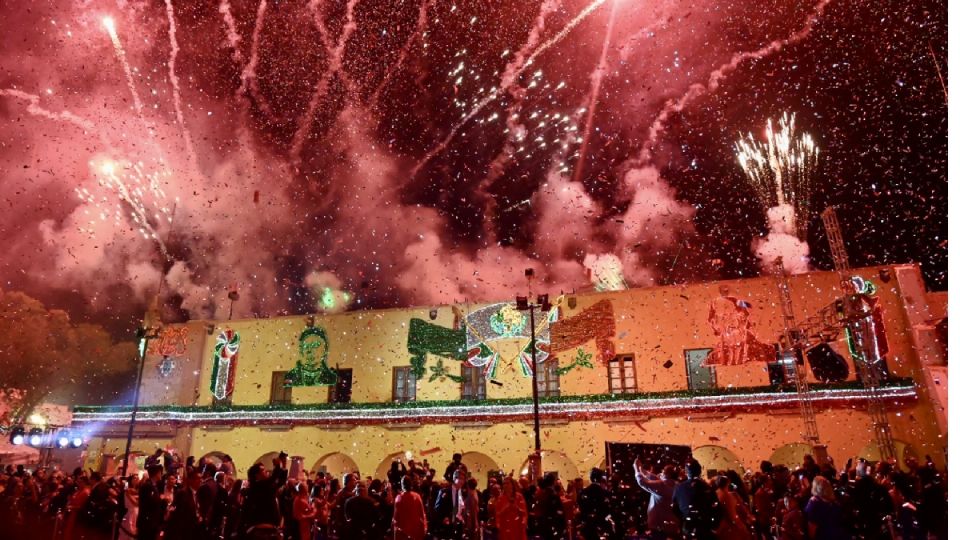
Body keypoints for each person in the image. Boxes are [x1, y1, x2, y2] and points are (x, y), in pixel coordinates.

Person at [672, 459, 720, 539]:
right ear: (700, 471)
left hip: (688, 527)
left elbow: (674, 507)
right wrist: (713, 525)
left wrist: (683, 518)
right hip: (704, 527)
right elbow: (716, 508)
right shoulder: (707, 487)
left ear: (686, 472)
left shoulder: (679, 487)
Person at [633, 459, 680, 539]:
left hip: (660, 526)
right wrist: (642, 470)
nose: (661, 473)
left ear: (668, 475)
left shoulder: (663, 486)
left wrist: (636, 469)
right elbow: (655, 478)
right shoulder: (675, 485)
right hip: (671, 524)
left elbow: (643, 482)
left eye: (664, 471)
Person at [241, 463, 282, 539]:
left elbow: (280, 481)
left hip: (267, 527)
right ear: (257, 475)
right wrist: (277, 466)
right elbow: (273, 478)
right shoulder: (259, 486)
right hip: (260, 529)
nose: (266, 471)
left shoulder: (261, 487)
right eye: (263, 470)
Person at [165, 468, 204, 539]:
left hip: (193, 531)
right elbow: (178, 515)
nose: (201, 481)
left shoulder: (197, 493)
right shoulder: (183, 493)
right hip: (184, 532)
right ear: (190, 480)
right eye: (198, 479)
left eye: (201, 478)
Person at [577, 468, 614, 540]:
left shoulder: (582, 493)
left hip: (588, 527)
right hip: (602, 526)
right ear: (600, 478)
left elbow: (581, 509)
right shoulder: (604, 493)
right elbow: (608, 510)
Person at [714, 475, 751, 540]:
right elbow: (732, 514)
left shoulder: (716, 493)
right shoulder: (727, 495)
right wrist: (741, 527)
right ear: (728, 483)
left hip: (721, 526)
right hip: (730, 526)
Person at [433, 468, 466, 539]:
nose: (462, 481)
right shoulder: (445, 491)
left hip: (458, 525)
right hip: (447, 526)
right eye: (460, 478)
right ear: (454, 478)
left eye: (463, 479)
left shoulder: (461, 492)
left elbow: (461, 506)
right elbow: (437, 508)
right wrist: (444, 517)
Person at [394, 475, 428, 540]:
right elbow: (422, 514)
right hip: (416, 531)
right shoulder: (417, 496)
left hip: (403, 532)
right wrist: (424, 528)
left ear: (402, 485)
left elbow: (396, 518)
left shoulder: (399, 497)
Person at [137, 465, 166, 540]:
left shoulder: (154, 486)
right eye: (160, 473)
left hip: (152, 522)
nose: (161, 475)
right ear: (157, 474)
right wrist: (161, 499)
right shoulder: (147, 486)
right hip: (147, 522)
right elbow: (148, 503)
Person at [119, 474, 140, 540]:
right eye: (134, 478)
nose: (136, 479)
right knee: (127, 534)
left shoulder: (138, 491)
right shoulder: (127, 490)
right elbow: (136, 503)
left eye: (137, 478)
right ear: (131, 480)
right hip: (130, 513)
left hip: (136, 513)